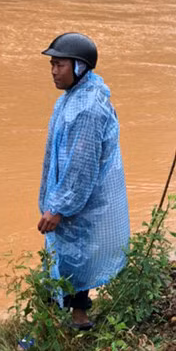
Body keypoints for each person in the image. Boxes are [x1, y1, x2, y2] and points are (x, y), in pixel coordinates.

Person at [38, 32, 130, 328]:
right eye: (52, 64)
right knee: (66, 252)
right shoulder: (72, 99)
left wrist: (59, 207)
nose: (54, 71)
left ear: (79, 67)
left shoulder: (88, 108)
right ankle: (56, 309)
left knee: (78, 252)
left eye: (60, 65)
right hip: (70, 195)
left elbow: (81, 167)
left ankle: (78, 317)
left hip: (81, 199)